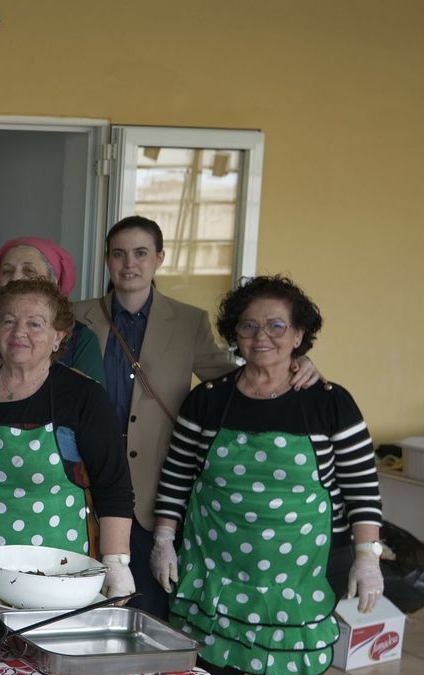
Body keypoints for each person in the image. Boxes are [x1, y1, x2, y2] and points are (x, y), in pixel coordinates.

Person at [151, 275, 381, 675]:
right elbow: (177, 476)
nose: (263, 336)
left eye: (277, 325)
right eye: (250, 325)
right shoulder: (209, 399)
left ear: (299, 335)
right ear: (236, 333)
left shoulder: (328, 401)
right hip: (217, 570)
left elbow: (362, 485)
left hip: (295, 577)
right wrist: (165, 538)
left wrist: (367, 556)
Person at [75, 215, 318, 617]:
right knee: (83, 592)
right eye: (118, 254)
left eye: (140, 253)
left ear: (159, 258)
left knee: (145, 605)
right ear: (106, 259)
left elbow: (236, 379)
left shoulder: (188, 321)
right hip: (84, 474)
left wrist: (295, 362)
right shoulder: (77, 316)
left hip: (153, 480)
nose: (129, 264)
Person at [0, 279, 135, 599]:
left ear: (58, 336)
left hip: (54, 576)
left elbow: (113, 485)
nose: (19, 332)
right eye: (9, 320)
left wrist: (116, 562)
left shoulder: (82, 395)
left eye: (35, 324)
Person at [0, 236, 104, 383]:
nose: (16, 278)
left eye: (29, 271)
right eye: (7, 271)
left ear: (54, 282)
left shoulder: (81, 339)